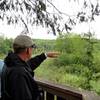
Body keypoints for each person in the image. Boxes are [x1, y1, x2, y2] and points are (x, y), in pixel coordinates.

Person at [1, 35, 59, 100]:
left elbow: (30, 64)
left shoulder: (11, 63)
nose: (32, 50)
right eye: (32, 47)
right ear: (28, 49)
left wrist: (45, 55)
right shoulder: (19, 73)